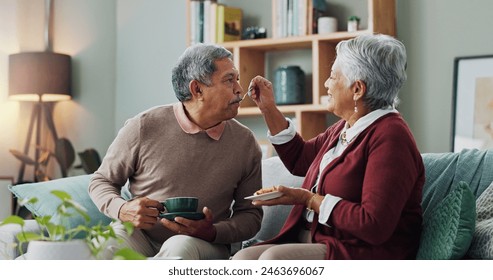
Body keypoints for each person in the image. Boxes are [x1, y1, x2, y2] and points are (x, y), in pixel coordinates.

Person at [233, 34, 425, 260]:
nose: (326, 83)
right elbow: (301, 159)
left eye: (333, 76)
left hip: (363, 252)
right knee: (242, 259)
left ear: (357, 89)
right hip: (319, 238)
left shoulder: (391, 137)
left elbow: (373, 224)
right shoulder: (347, 127)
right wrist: (268, 108)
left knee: (272, 261)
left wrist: (308, 199)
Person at [88, 43, 263, 260]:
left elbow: (251, 215)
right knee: (105, 245)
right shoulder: (143, 126)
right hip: (141, 236)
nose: (239, 88)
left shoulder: (245, 143)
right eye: (229, 80)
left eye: (237, 78)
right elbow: (101, 181)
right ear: (197, 89)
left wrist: (214, 231)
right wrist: (122, 209)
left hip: (205, 243)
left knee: (179, 248)